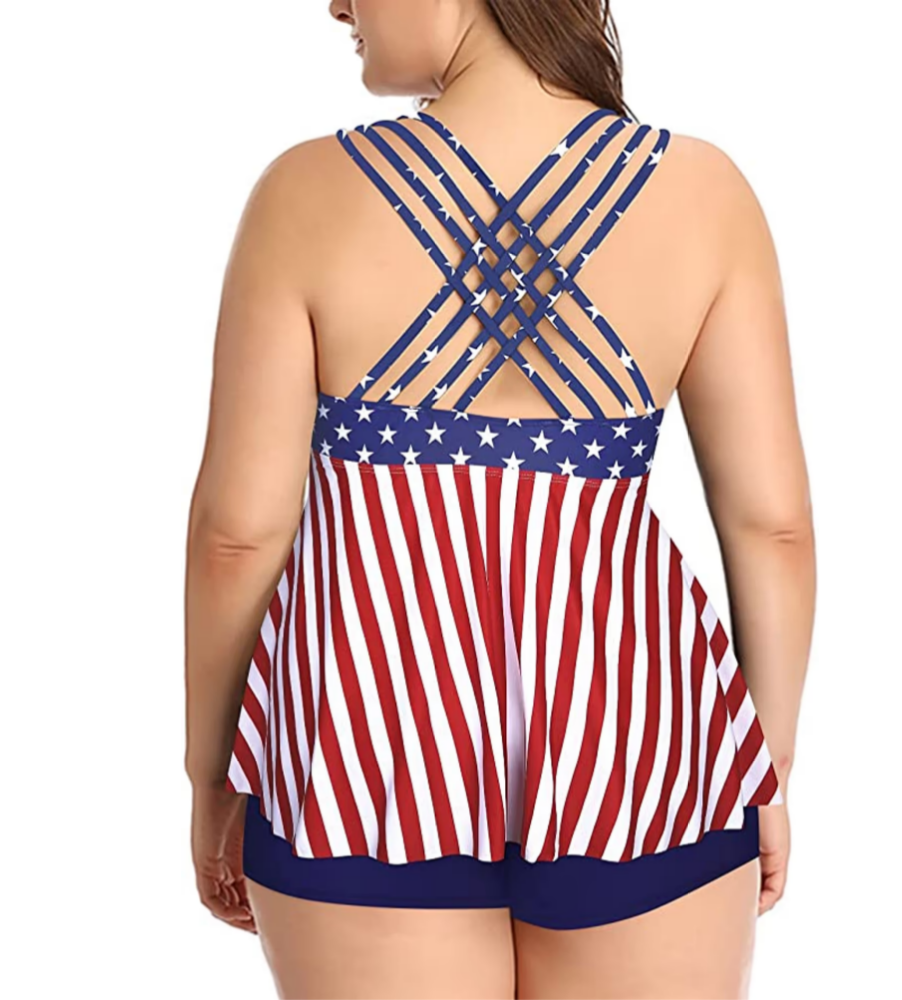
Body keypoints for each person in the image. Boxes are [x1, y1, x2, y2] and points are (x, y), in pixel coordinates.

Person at [184, 0, 815, 996]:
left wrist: (214, 774)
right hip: (640, 750)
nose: (336, 4)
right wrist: (765, 764)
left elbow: (237, 536)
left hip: (362, 754)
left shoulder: (306, 193)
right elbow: (771, 527)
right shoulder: (702, 191)